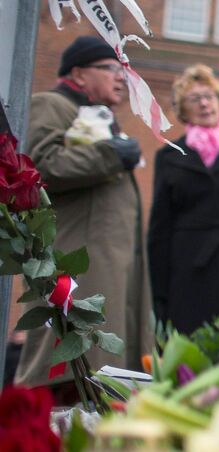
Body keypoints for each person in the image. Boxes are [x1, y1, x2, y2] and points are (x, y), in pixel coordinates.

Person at [16, 36, 151, 388]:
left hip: (105, 263)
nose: (121, 78)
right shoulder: (52, 104)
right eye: (111, 69)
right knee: (64, 361)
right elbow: (40, 166)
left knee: (101, 366)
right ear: (78, 74)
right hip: (75, 267)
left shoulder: (94, 115)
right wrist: (112, 154)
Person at [149, 65, 219, 334]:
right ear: (182, 109)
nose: (204, 103)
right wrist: (159, 293)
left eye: (210, 96)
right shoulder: (170, 156)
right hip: (189, 267)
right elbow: (160, 227)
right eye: (194, 98)